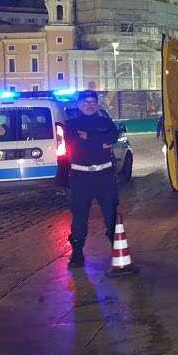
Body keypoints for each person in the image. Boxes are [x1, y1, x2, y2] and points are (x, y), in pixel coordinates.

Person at [64, 90, 119, 269]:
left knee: (111, 213)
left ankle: (118, 249)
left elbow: (112, 138)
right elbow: (75, 142)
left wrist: (88, 137)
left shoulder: (106, 122)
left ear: (97, 104)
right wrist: (99, 141)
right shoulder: (71, 124)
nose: (89, 104)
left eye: (92, 101)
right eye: (85, 102)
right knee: (80, 217)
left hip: (105, 176)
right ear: (79, 105)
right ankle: (77, 253)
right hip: (81, 177)